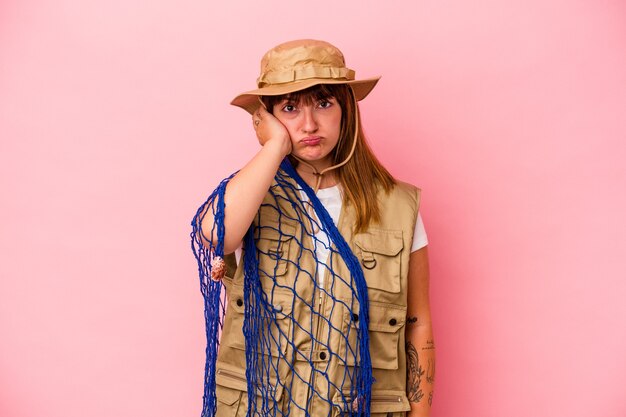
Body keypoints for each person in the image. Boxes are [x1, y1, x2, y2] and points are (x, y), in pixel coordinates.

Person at [191, 39, 435, 417]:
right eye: (290, 108)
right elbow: (214, 234)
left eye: (324, 103)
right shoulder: (251, 197)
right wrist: (274, 146)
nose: (309, 124)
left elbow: (417, 324)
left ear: (345, 109)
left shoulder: (399, 207)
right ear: (267, 116)